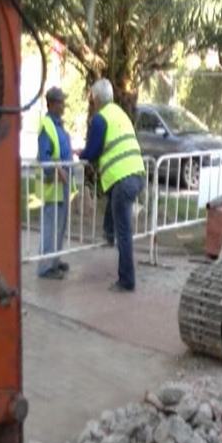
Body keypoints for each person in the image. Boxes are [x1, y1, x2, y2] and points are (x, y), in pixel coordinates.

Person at [75, 78, 145, 292]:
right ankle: (108, 232)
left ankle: (126, 280)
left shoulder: (100, 119)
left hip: (121, 178)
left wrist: (82, 154)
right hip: (137, 174)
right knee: (114, 205)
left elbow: (94, 150)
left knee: (124, 232)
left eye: (92, 100)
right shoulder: (120, 114)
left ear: (95, 99)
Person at [37, 86, 72, 280]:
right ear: (51, 104)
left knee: (60, 224)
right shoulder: (47, 126)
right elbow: (44, 157)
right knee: (51, 224)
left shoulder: (59, 125)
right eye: (60, 102)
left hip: (62, 182)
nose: (63, 105)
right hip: (52, 183)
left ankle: (54, 260)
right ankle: (45, 267)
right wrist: (58, 169)